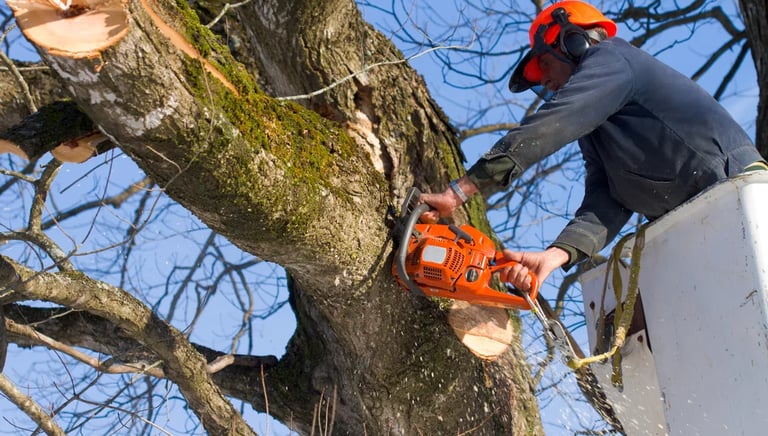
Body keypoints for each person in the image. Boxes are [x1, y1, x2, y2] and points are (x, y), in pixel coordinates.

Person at [419, 1, 767, 291]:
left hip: (736, 192)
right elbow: (607, 200)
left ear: (573, 42)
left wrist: (460, 191)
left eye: (545, 66)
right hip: (696, 224)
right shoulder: (598, 128)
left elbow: (553, 123)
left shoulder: (614, 59)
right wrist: (554, 256)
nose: (549, 83)